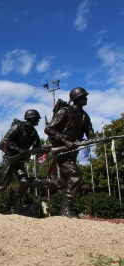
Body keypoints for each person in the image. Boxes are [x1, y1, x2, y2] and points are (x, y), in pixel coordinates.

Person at [43, 87, 94, 218]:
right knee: (75, 176)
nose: (86, 99)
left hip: (73, 152)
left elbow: (90, 133)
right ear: (77, 99)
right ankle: (65, 210)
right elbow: (49, 129)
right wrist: (65, 140)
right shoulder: (65, 111)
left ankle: (35, 182)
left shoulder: (85, 116)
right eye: (83, 97)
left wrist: (93, 139)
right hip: (62, 151)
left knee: (62, 182)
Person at [0, 109, 42, 214]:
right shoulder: (18, 127)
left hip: (19, 161)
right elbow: (5, 140)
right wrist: (19, 150)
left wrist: (39, 151)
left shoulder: (34, 133)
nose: (38, 121)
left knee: (25, 182)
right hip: (10, 158)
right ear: (32, 119)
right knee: (3, 185)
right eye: (37, 119)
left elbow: (37, 147)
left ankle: (11, 203)